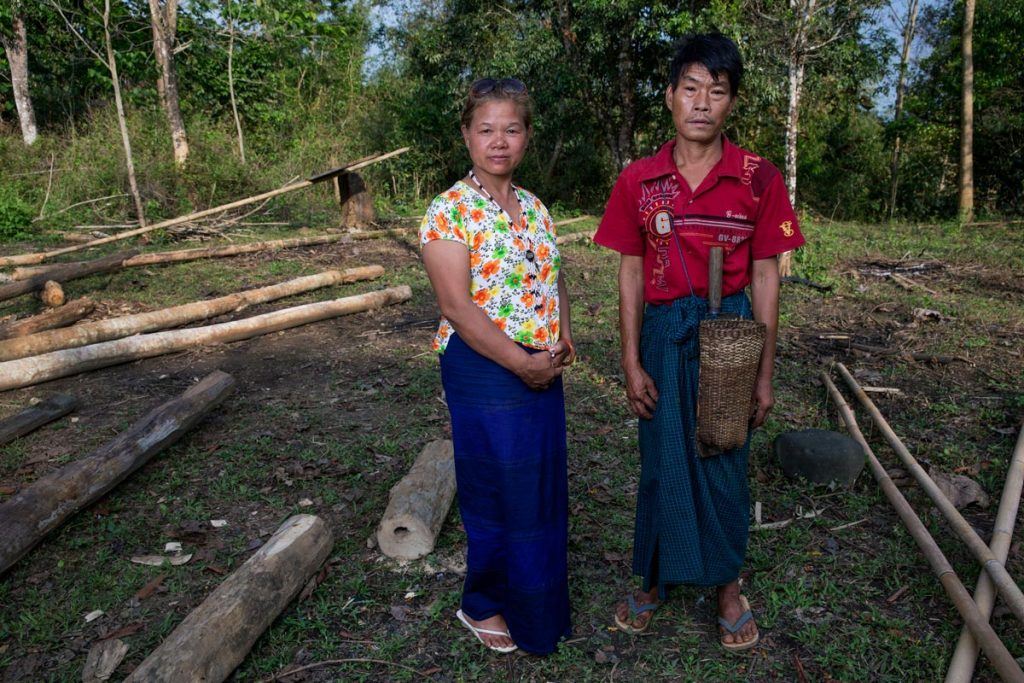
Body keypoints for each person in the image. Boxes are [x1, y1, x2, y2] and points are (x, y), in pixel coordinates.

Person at [594, 33, 805, 652]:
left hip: (731, 336)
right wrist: (631, 361)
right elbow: (630, 270)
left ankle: (727, 586)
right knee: (660, 456)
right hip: (663, 333)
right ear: (669, 97)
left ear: (731, 103)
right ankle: (655, 577)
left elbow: (767, 276)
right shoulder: (639, 180)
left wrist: (763, 372)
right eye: (691, 88)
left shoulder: (758, 178)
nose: (702, 103)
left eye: (717, 91)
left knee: (725, 455)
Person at [419, 77, 575, 655]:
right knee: (496, 488)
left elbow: (552, 275)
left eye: (511, 129)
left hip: (539, 365)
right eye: (486, 130)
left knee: (538, 487)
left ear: (527, 136)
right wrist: (520, 362)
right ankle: (482, 603)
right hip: (485, 368)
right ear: (466, 135)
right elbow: (456, 305)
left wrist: (563, 338)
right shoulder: (449, 211)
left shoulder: (534, 207)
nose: (499, 141)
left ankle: (536, 608)